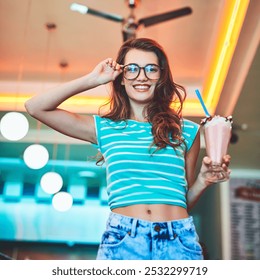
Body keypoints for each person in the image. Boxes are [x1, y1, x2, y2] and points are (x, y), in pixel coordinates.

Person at [25, 38, 231, 260]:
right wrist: (92, 79)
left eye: (151, 69)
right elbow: (35, 107)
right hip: (123, 240)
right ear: (121, 78)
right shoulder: (104, 128)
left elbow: (183, 200)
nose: (141, 76)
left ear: (161, 76)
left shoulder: (188, 131)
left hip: (179, 239)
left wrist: (203, 180)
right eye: (132, 69)